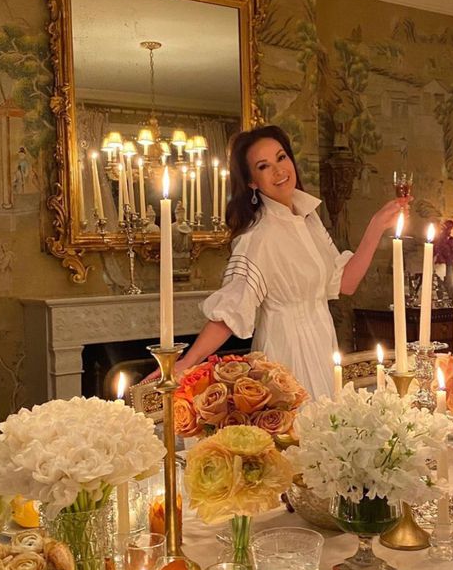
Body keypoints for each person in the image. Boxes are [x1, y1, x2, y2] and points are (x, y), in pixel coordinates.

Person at [145, 125, 409, 400]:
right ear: (252, 182)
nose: (279, 170)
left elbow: (346, 283)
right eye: (264, 166)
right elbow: (231, 310)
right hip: (286, 350)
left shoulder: (307, 216)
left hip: (322, 342)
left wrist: (376, 226)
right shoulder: (258, 237)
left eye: (281, 158)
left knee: (330, 431)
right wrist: (187, 362)